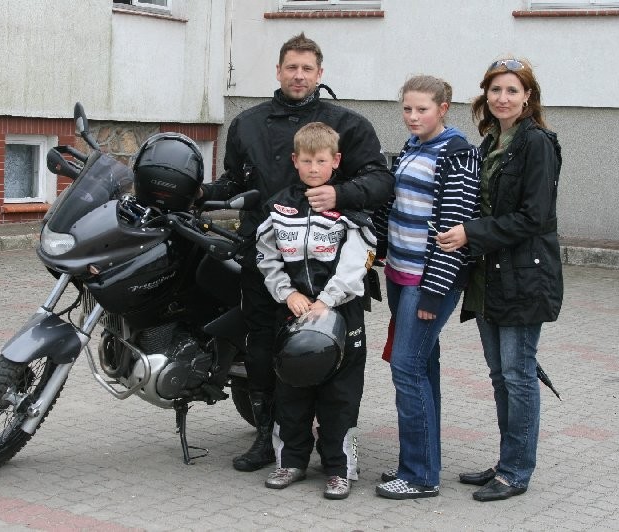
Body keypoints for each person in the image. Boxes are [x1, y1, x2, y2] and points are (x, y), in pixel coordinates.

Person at [198, 33, 393, 473]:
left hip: (329, 269)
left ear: (320, 73)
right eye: (291, 67)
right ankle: (269, 439)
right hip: (267, 263)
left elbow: (382, 181)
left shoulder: (349, 125)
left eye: (307, 68)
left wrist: (340, 194)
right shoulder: (247, 123)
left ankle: (334, 446)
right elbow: (234, 182)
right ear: (278, 70)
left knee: (332, 355)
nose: (299, 75)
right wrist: (199, 193)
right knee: (262, 351)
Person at [436, 57, 563, 502]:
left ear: (528, 96)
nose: (502, 98)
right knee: (500, 375)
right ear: (485, 95)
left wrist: (471, 233)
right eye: (495, 90)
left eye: (512, 90)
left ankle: (515, 472)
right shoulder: (492, 140)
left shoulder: (537, 143)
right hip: (489, 275)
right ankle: (507, 460)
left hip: (525, 277)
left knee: (518, 374)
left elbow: (534, 216)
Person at [254, 122, 376, 500]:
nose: (313, 168)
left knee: (340, 397)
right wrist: (287, 293)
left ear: (335, 161)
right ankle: (291, 462)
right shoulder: (279, 207)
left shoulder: (349, 207)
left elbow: (360, 260)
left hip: (341, 314)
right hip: (294, 313)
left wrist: (328, 300)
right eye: (306, 161)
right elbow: (266, 256)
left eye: (321, 161)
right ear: (295, 160)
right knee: (291, 392)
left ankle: (339, 470)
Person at [372, 76, 481, 500]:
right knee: (422, 367)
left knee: (406, 367)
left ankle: (418, 476)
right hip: (400, 275)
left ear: (443, 108)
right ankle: (421, 465)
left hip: (427, 281)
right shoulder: (412, 147)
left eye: (422, 109)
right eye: (407, 109)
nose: (413, 117)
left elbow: (453, 231)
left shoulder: (457, 153)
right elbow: (396, 208)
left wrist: (435, 293)